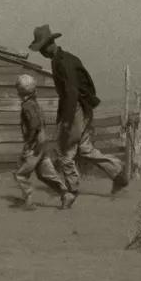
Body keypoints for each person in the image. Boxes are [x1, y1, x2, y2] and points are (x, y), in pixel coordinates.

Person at [28, 25, 129, 207]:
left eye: (42, 48)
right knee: (85, 149)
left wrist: (66, 121)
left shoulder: (62, 62)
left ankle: (71, 191)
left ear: (49, 45)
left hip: (75, 109)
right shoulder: (63, 58)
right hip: (82, 108)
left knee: (65, 153)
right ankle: (118, 172)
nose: (41, 52)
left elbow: (71, 92)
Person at [13, 74, 74, 210]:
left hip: (34, 145)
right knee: (45, 174)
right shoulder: (36, 104)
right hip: (42, 144)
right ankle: (65, 194)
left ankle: (28, 201)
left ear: (20, 90)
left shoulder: (27, 105)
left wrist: (29, 143)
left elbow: (34, 125)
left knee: (20, 174)